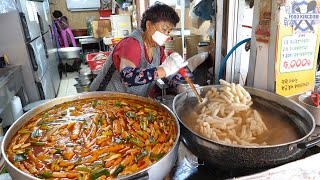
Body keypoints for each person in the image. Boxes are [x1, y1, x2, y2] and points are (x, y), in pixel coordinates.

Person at [90, 2, 188, 97]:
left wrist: (181, 86)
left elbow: (168, 74)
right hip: (104, 98)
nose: (166, 34)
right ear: (149, 25)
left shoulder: (158, 49)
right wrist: (163, 70)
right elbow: (128, 76)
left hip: (129, 102)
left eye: (168, 31)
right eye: (164, 28)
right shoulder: (132, 43)